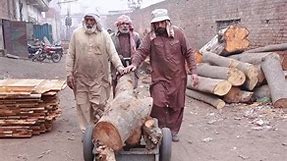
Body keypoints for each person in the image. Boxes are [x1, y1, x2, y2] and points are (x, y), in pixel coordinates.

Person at [125, 9, 199, 142]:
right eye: (156, 23)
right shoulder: (150, 37)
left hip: (178, 77)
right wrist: (134, 64)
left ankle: (173, 131)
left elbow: (188, 52)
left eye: (161, 23)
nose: (159, 26)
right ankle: (159, 128)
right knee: (158, 103)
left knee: (176, 105)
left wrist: (194, 72)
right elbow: (141, 51)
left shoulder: (179, 34)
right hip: (159, 78)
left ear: (167, 22)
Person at [66, 12, 125, 133]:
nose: (88, 23)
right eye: (87, 20)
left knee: (100, 105)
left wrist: (120, 68)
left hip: (99, 78)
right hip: (80, 78)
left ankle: (99, 131)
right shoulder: (76, 34)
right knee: (83, 105)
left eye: (91, 20)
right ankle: (86, 132)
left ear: (96, 21)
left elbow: (112, 53)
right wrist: (69, 73)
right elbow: (70, 54)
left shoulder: (104, 35)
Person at [110, 15, 141, 97]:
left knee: (133, 90)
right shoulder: (112, 38)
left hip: (132, 68)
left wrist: (135, 60)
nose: (125, 26)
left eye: (127, 24)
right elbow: (109, 53)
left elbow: (140, 51)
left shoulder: (135, 36)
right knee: (117, 91)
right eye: (122, 24)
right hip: (117, 69)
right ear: (118, 25)